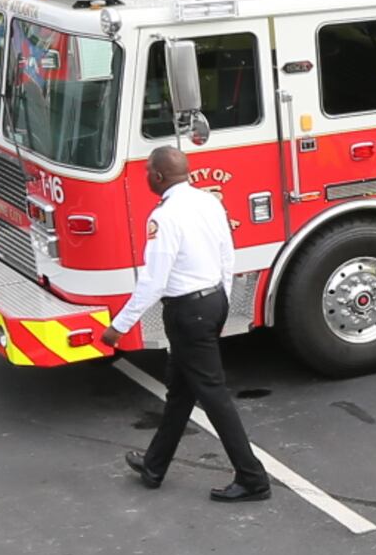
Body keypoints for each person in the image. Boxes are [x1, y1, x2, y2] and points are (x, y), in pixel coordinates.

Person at [113, 143, 265, 503]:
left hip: (186, 313)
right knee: (180, 392)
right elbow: (227, 252)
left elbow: (154, 280)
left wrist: (119, 325)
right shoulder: (208, 201)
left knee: (213, 396)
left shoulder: (163, 218)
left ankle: (253, 478)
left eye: (149, 170)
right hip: (210, 302)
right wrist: (223, 300)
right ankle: (154, 467)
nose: (146, 175)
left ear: (160, 176)